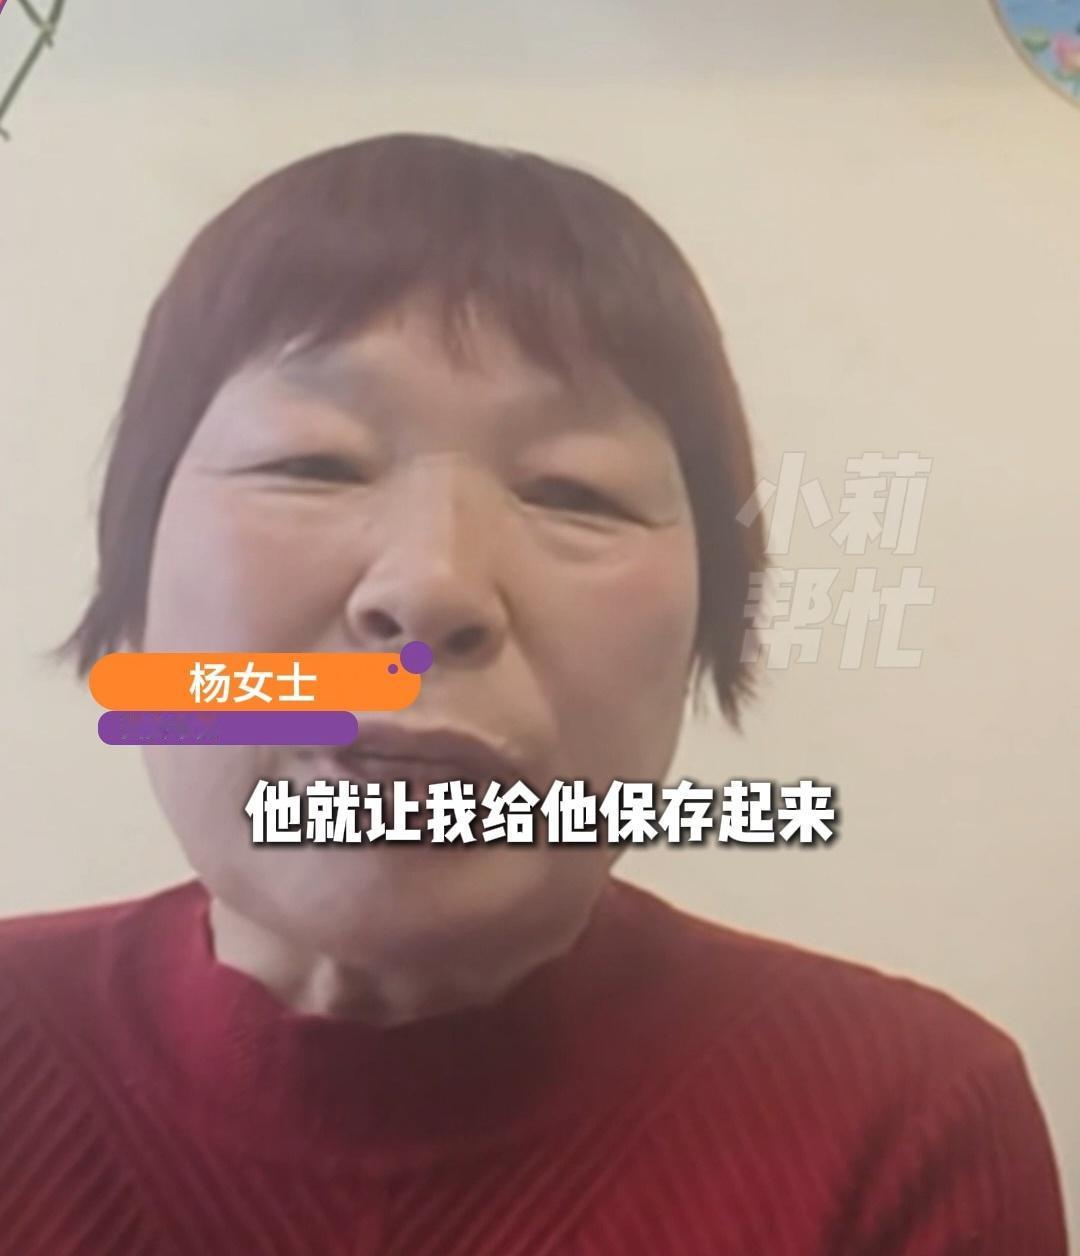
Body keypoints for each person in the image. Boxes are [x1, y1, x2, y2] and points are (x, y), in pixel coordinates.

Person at [0, 134, 1067, 1255]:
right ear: (135, 565)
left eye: (575, 492)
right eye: (312, 464)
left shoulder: (901, 1119)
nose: (433, 585)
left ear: (707, 617)